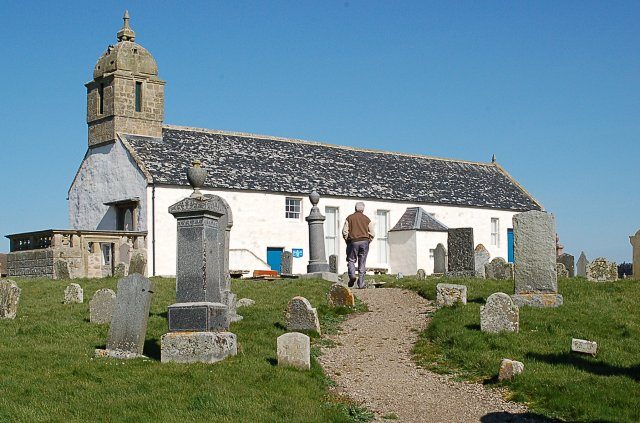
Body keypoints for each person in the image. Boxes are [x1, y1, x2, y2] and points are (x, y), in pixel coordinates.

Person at [342, 202, 375, 288]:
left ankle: (352, 276)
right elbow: (372, 233)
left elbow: (345, 232)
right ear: (363, 209)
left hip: (353, 241)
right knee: (362, 262)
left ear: (355, 208)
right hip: (365, 241)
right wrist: (368, 241)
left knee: (351, 260)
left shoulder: (349, 218)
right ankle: (361, 283)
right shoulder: (367, 219)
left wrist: (347, 240)